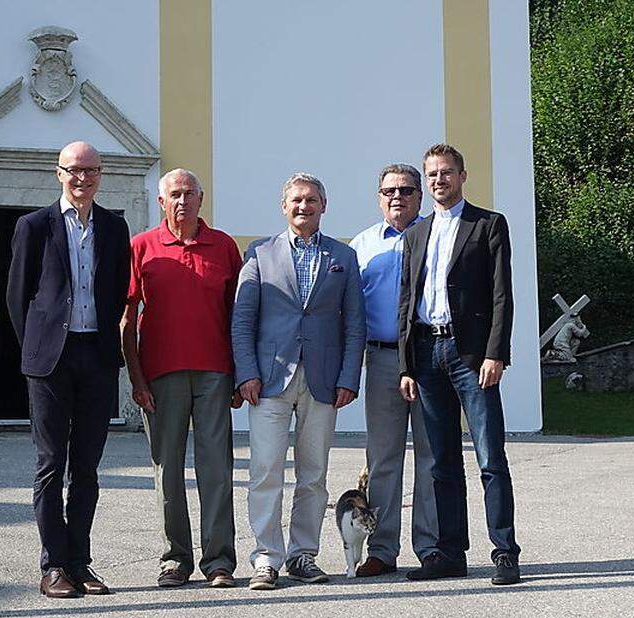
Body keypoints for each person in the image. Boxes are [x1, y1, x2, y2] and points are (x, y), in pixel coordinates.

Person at [5, 141, 131, 598]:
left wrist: (102, 344)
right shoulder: (34, 226)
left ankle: (80, 562)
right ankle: (53, 565)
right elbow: (19, 297)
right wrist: (38, 349)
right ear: (59, 173)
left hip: (96, 357)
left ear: (101, 175)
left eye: (92, 170)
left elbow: (117, 290)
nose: (83, 178)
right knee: (50, 463)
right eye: (75, 170)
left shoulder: (115, 227)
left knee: (88, 467)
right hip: (51, 362)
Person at [231, 172, 366, 590]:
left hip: (323, 381)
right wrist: (247, 372)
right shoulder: (259, 253)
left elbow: (355, 325)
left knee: (313, 473)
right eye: (296, 200)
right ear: (283, 206)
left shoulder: (343, 257)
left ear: (324, 205)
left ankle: (303, 555)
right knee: (266, 469)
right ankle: (266, 558)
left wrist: (348, 377)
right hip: (270, 379)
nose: (303, 207)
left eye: (311, 200)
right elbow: (242, 319)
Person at [398, 143, 522, 585]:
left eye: (446, 172)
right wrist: (406, 366)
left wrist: (496, 353)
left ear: (462, 176)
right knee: (441, 462)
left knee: (490, 457)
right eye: (431, 174)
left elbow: (502, 294)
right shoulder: (415, 233)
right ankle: (450, 553)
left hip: (471, 356)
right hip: (427, 356)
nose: (438, 180)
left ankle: (505, 552)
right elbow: (406, 302)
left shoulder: (488, 224)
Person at [120, 169, 243, 589]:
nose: (182, 201)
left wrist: (240, 375)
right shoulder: (142, 247)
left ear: (201, 199)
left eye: (190, 193)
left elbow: (238, 317)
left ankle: (219, 560)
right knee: (167, 468)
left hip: (214, 373)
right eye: (175, 194)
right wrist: (137, 378)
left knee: (216, 468)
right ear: (161, 201)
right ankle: (175, 558)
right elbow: (127, 320)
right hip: (160, 375)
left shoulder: (224, 246)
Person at [348, 164, 439, 577]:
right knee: (382, 457)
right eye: (388, 191)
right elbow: (350, 312)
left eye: (405, 190)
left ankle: (433, 547)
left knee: (432, 455)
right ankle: (382, 549)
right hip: (382, 358)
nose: (397, 197)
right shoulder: (362, 246)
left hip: (429, 356)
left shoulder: (438, 235)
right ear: (378, 196)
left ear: (420, 196)